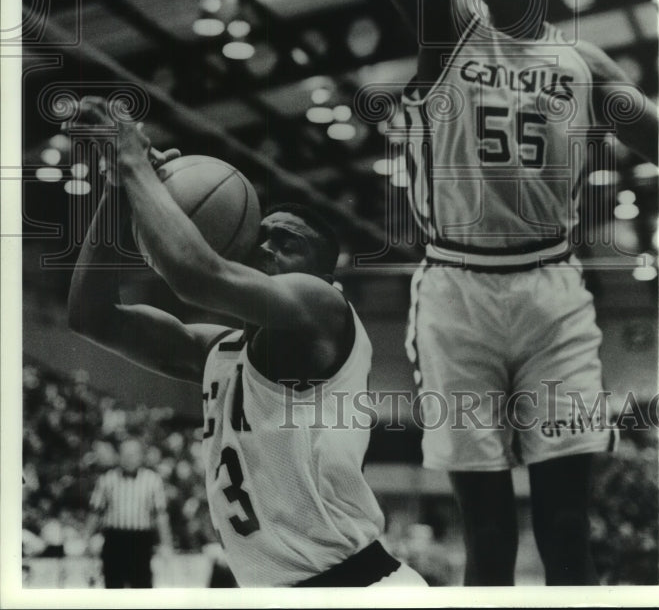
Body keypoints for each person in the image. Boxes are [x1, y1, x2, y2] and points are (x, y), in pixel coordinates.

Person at [346, 0, 659, 585]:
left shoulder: (584, 68)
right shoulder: (444, 33)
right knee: (487, 539)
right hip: (455, 293)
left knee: (565, 529)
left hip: (552, 292)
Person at [67, 98, 426, 588]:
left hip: (355, 586)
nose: (264, 248)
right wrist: (116, 191)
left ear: (323, 276)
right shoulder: (219, 354)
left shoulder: (323, 309)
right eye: (262, 236)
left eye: (287, 244)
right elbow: (92, 317)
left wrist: (133, 161)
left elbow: (197, 276)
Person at [84, 438, 172, 588]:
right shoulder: (106, 480)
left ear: (141, 456)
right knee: (113, 588)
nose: (129, 459)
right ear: (119, 456)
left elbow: (160, 515)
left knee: (141, 589)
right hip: (114, 540)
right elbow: (95, 512)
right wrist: (86, 539)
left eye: (133, 454)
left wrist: (166, 544)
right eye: (125, 454)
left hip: (141, 541)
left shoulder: (153, 480)